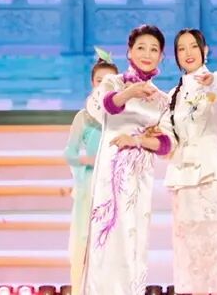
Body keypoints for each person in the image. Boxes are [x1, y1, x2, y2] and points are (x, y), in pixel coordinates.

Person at [80, 24, 176, 295]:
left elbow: (166, 144)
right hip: (110, 169)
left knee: (135, 235)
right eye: (141, 47)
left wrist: (139, 141)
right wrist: (130, 92)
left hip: (140, 172)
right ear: (129, 52)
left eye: (154, 49)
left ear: (161, 57)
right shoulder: (113, 83)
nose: (147, 54)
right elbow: (107, 105)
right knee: (108, 233)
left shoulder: (162, 100)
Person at [164, 28, 217, 295]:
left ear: (204, 50)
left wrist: (212, 82)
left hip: (211, 172)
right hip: (182, 174)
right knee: (187, 246)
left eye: (193, 46)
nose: (188, 53)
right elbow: (167, 134)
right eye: (181, 48)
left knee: (215, 242)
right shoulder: (173, 94)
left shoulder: (216, 83)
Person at [63, 50, 118, 295]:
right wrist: (88, 160)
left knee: (113, 245)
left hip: (115, 184)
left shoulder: (124, 116)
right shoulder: (83, 117)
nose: (103, 85)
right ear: (92, 83)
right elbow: (70, 153)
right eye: (99, 80)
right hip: (89, 184)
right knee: (84, 242)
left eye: (110, 81)